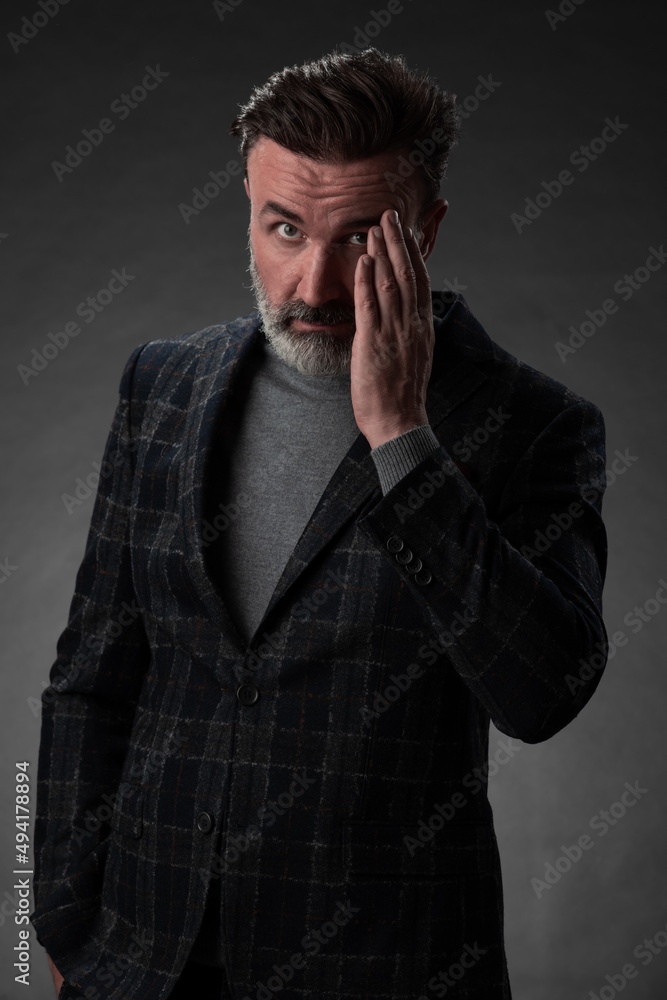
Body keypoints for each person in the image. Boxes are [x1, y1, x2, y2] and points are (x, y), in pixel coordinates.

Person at [31, 47, 608, 1000]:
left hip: (382, 967)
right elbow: (89, 679)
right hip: (139, 960)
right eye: (284, 228)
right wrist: (52, 911)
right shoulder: (163, 385)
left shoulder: (535, 426)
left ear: (426, 231)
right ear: (248, 210)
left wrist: (402, 438)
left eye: (359, 238)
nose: (312, 284)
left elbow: (543, 694)